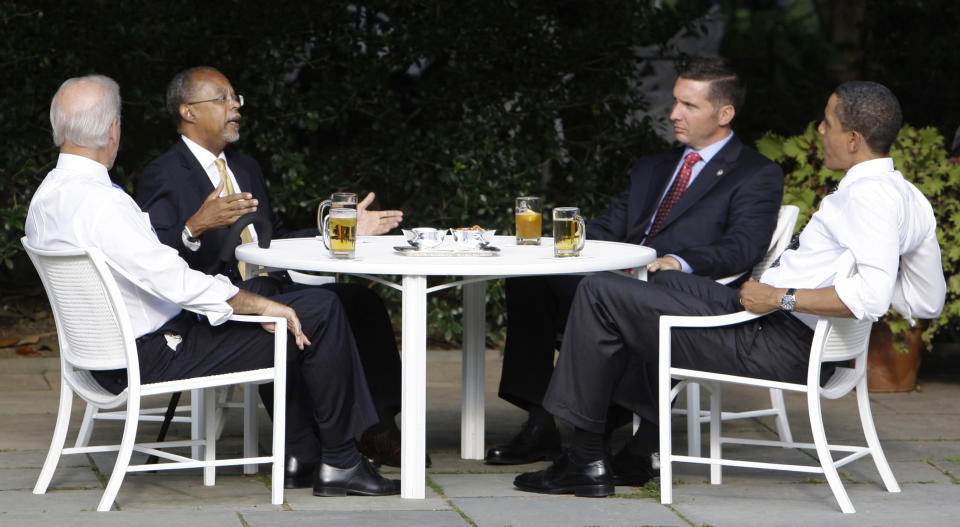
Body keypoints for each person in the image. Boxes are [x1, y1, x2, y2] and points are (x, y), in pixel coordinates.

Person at [513, 80, 946, 497]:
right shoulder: (909, 197)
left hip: (774, 337)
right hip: (768, 318)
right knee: (652, 279)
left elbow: (869, 298)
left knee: (600, 293)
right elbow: (928, 300)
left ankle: (585, 460)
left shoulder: (866, 198)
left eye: (826, 122)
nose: (819, 129)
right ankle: (639, 448)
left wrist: (783, 297)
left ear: (853, 138)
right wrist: (821, 292)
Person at [27, 74, 400, 497]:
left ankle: (314, 452)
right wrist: (254, 305)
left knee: (308, 305)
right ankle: (341, 463)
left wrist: (255, 302)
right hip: (155, 351)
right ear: (113, 129)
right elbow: (169, 276)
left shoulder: (46, 198)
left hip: (103, 356)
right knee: (320, 312)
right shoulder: (103, 202)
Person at [487, 57, 785, 480]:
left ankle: (601, 427)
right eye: (674, 102)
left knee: (604, 295)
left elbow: (742, 247)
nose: (673, 114)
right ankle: (540, 420)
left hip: (677, 287)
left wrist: (677, 261)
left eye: (688, 105)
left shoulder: (756, 173)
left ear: (724, 114)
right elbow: (611, 226)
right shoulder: (655, 166)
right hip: (614, 277)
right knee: (530, 281)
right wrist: (563, 244)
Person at [134, 66, 415, 478]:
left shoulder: (245, 167)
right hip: (215, 304)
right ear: (188, 112)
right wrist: (193, 228)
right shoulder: (165, 173)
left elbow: (274, 238)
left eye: (236, 98)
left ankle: (377, 427)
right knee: (298, 305)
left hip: (271, 282)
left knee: (362, 302)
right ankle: (303, 447)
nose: (235, 107)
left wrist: (339, 227)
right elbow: (152, 258)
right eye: (222, 99)